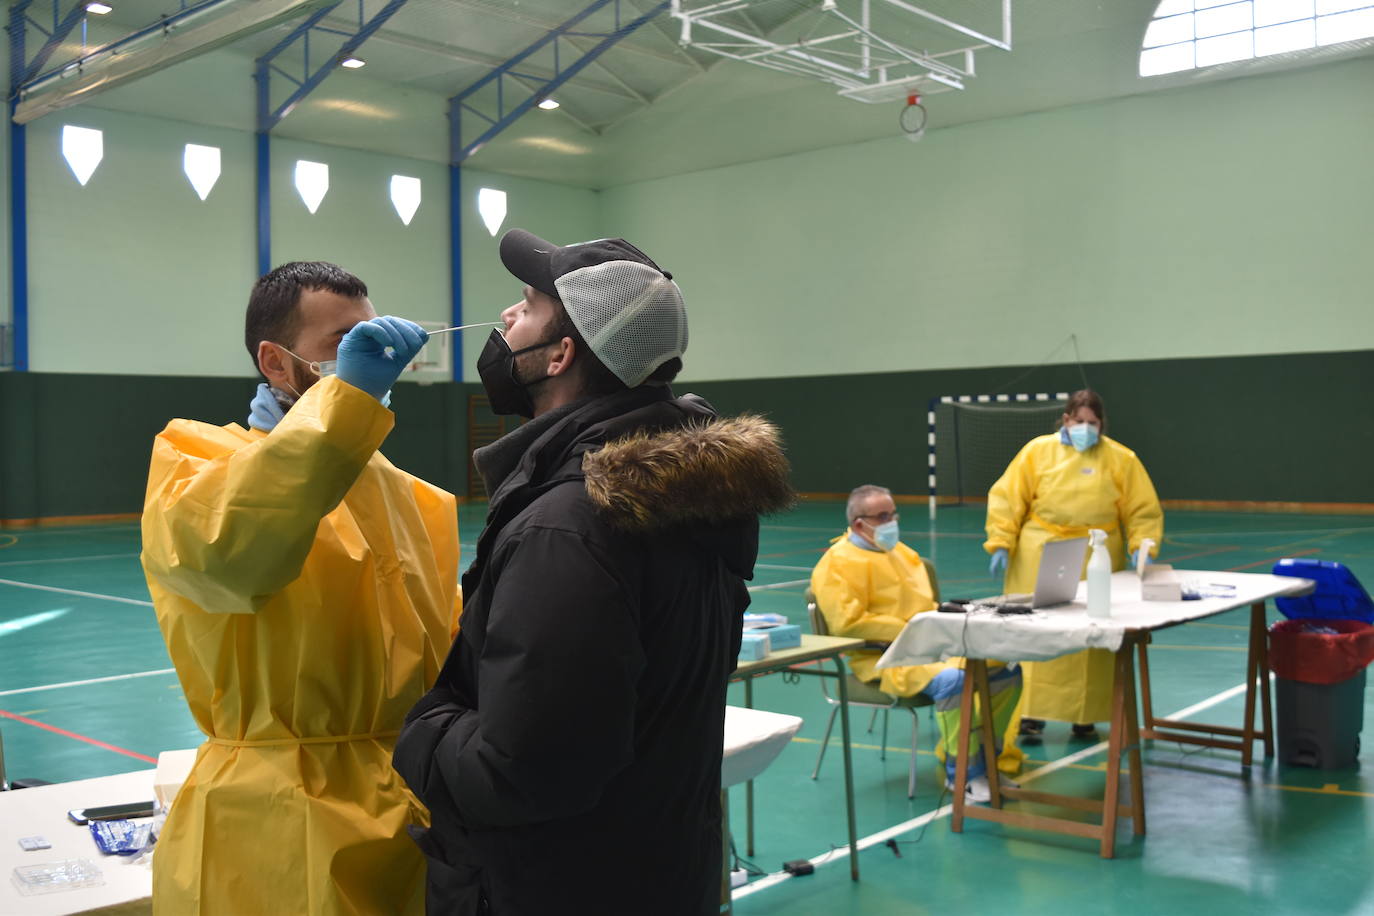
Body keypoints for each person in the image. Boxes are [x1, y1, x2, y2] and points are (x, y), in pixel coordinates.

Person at [393, 230, 793, 915]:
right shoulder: (692, 498)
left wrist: (420, 727)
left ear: (562, 354)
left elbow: (523, 771)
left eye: (527, 303)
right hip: (658, 873)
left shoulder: (569, 529)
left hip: (555, 886)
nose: (507, 318)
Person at [140, 262, 462, 915]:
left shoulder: (409, 496)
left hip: (411, 815)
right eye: (344, 346)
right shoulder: (197, 467)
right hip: (274, 830)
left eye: (371, 341)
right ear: (276, 362)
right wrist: (343, 411)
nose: (372, 359)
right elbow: (231, 549)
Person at [810, 485, 1022, 803]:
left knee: (1008, 671)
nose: (891, 520)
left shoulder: (903, 554)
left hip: (933, 647)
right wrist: (916, 629)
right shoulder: (836, 565)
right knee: (955, 681)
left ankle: (987, 761)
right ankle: (961, 772)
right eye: (882, 516)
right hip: (884, 658)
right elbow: (848, 624)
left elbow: (927, 606)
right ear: (858, 524)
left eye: (893, 513)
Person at [984, 388, 1163, 738]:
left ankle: (1088, 714)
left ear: (1101, 424)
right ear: (1066, 420)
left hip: (1097, 551)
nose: (1085, 428)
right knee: (1034, 629)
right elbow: (1008, 497)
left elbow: (1142, 508)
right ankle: (1029, 713)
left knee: (1092, 631)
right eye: (1079, 421)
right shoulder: (1038, 452)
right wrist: (1001, 541)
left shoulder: (1121, 459)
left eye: (1092, 423)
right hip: (1040, 551)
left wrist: (1143, 545)